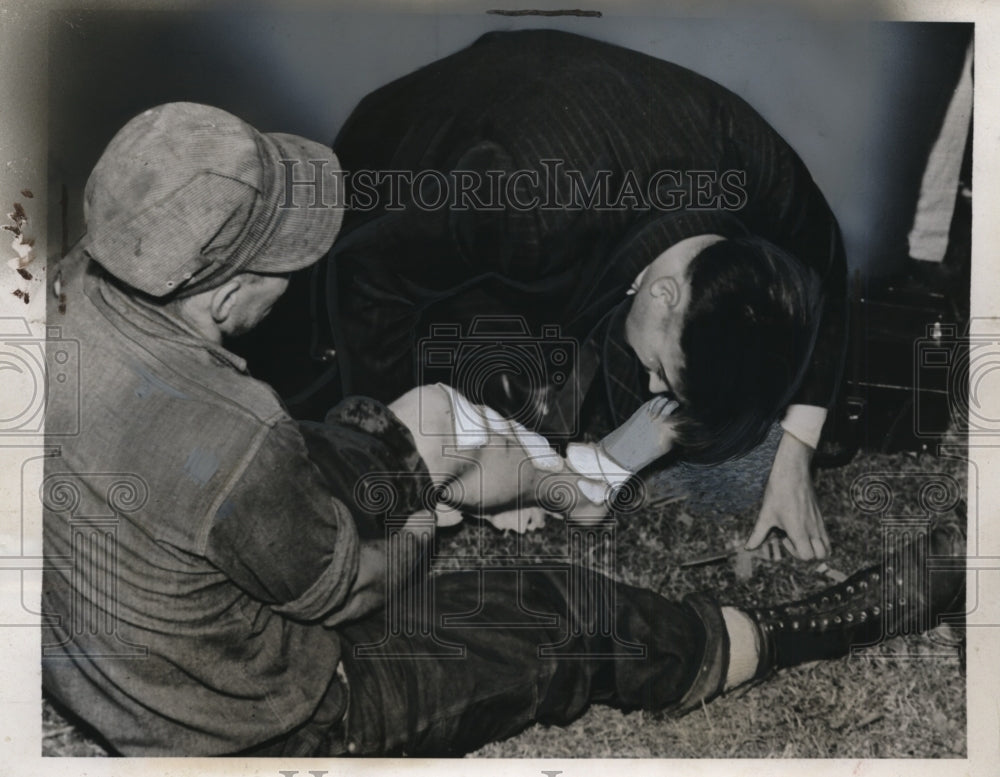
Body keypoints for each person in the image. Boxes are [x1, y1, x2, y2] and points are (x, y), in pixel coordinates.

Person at [41, 102, 963, 757]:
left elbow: (245, 483)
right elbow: (354, 591)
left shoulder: (60, 293)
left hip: (135, 637)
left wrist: (427, 454)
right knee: (563, 616)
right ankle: (796, 628)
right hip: (276, 718)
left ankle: (580, 479)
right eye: (285, 260)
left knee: (424, 422)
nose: (299, 269)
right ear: (227, 294)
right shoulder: (238, 435)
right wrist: (430, 515)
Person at [302, 29, 847, 560]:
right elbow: (369, 272)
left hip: (567, 143)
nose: (655, 385)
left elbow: (825, 278)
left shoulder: (768, 179)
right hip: (404, 160)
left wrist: (795, 451)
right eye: (662, 368)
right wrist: (400, 459)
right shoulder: (528, 207)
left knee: (566, 397)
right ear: (663, 293)